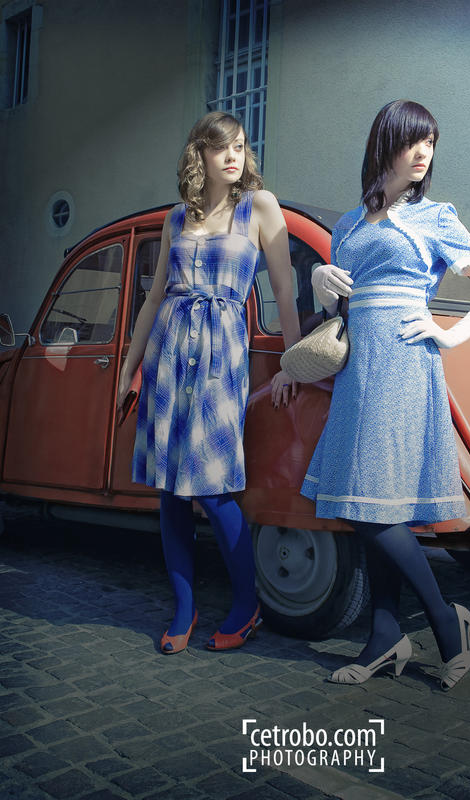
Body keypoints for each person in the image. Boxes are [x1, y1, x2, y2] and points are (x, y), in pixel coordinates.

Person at [302, 100, 470, 688]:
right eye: (415, 141)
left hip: (406, 363)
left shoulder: (437, 215)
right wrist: (320, 279)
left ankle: (444, 622)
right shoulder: (347, 225)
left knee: (373, 507)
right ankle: (385, 638)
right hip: (358, 368)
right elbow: (336, 307)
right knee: (372, 506)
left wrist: (450, 333)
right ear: (385, 143)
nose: (425, 153)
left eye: (432, 143)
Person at [118, 111, 300, 654]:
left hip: (221, 358)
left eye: (240, 146)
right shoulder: (177, 219)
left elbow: (285, 293)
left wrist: (294, 361)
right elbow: (153, 299)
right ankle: (183, 608)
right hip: (169, 355)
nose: (233, 156)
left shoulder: (261, 208)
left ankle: (247, 604)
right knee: (170, 492)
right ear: (200, 154)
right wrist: (130, 367)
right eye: (221, 147)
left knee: (214, 487)